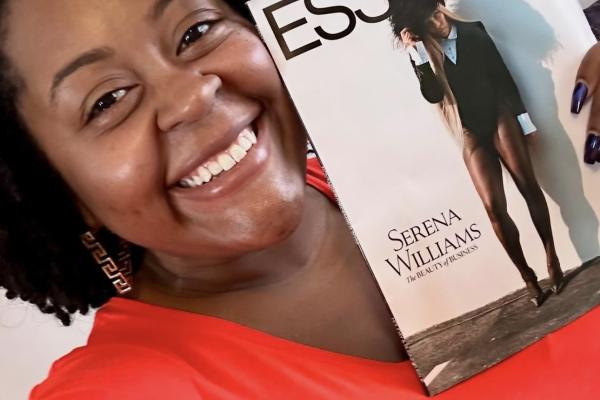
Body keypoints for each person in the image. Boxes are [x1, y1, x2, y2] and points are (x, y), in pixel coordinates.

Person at [0, 0, 596, 398]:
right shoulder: (123, 389)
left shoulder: (395, 164)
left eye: (196, 31)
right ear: (48, 184)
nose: (192, 97)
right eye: (105, 101)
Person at [390, 0, 564, 306]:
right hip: (471, 131)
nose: (436, 24)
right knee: (493, 207)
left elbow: (503, 77)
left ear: (440, 7)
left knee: (528, 185)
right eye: (427, 22)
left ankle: (552, 256)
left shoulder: (473, 30)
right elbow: (433, 95)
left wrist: (525, 123)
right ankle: (528, 277)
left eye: (435, 15)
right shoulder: (424, 50)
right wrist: (415, 54)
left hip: (500, 117)